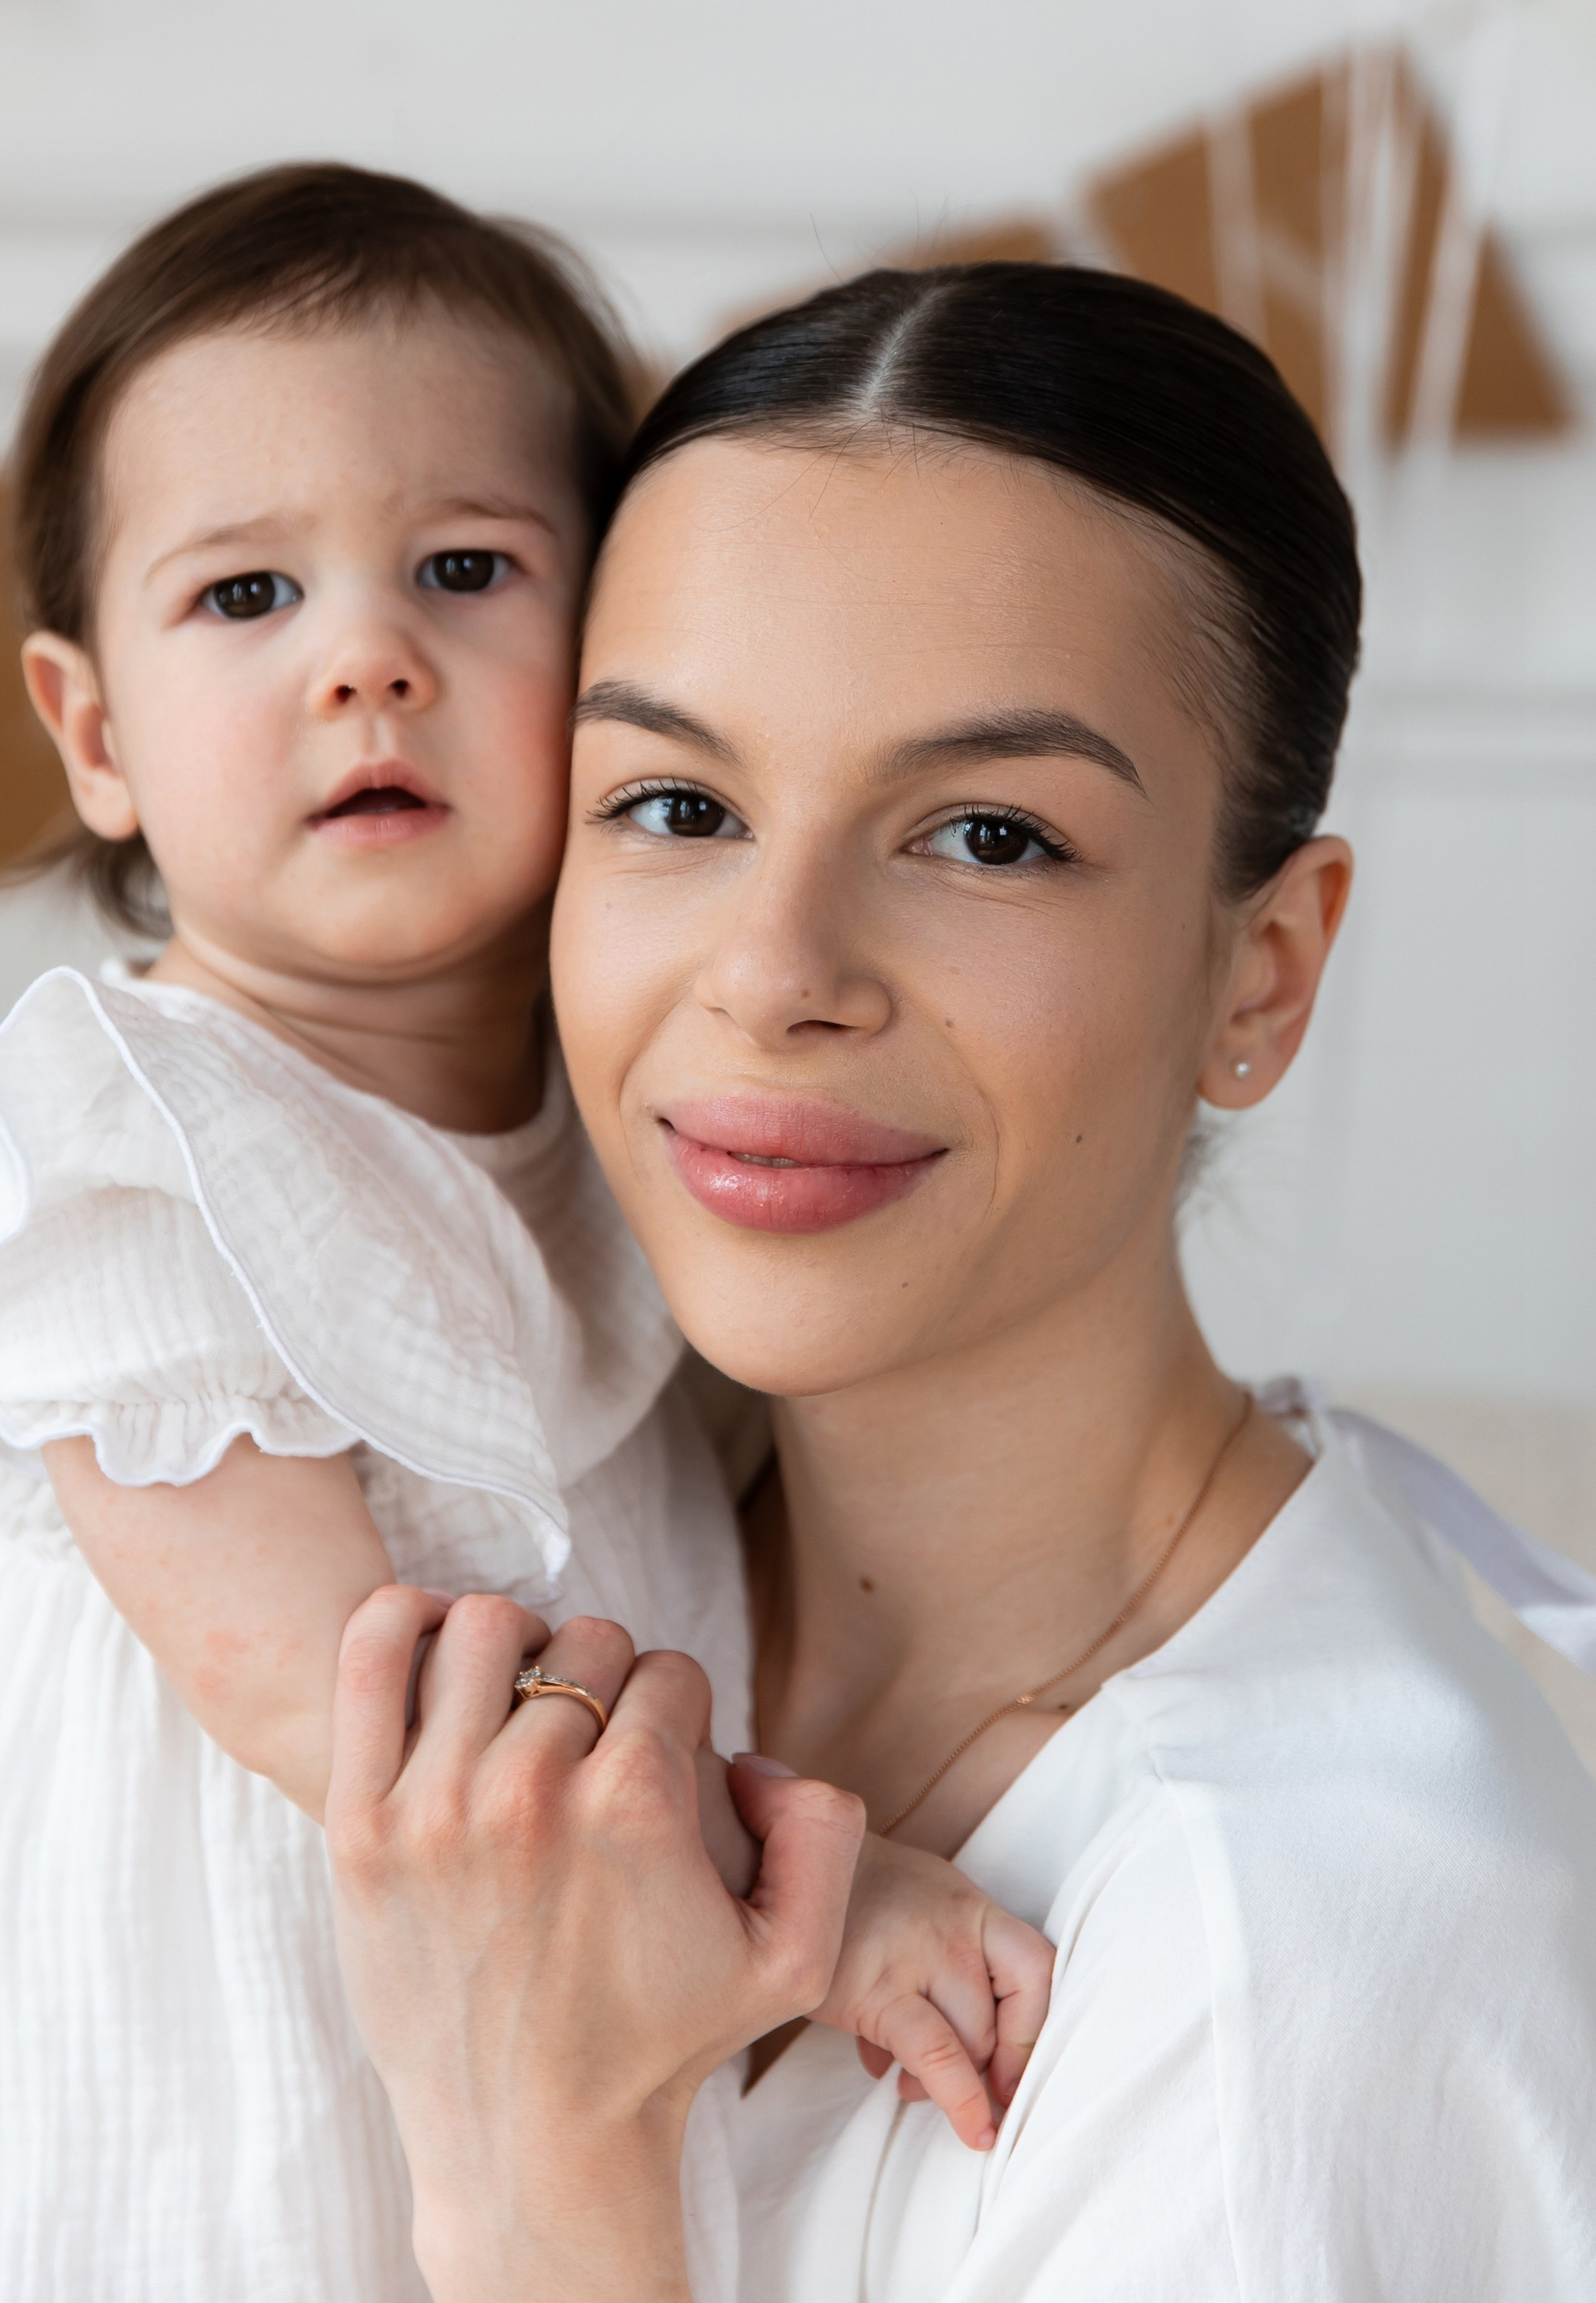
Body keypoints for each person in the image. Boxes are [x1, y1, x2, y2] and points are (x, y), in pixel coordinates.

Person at [0, 172, 1049, 2303]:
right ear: (93, 733)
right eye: (246, 597)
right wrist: (829, 1874)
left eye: (465, 566)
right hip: (121, 2121)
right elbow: (342, 1698)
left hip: (513, 2057)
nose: (366, 658)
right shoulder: (130, 1163)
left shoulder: (633, 1116)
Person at [326, 261, 1596, 2303]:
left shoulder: (1285, 1958)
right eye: (677, 803)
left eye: (989, 833)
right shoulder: (479, 1528)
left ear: (1257, 972)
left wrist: (538, 2161)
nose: (774, 968)